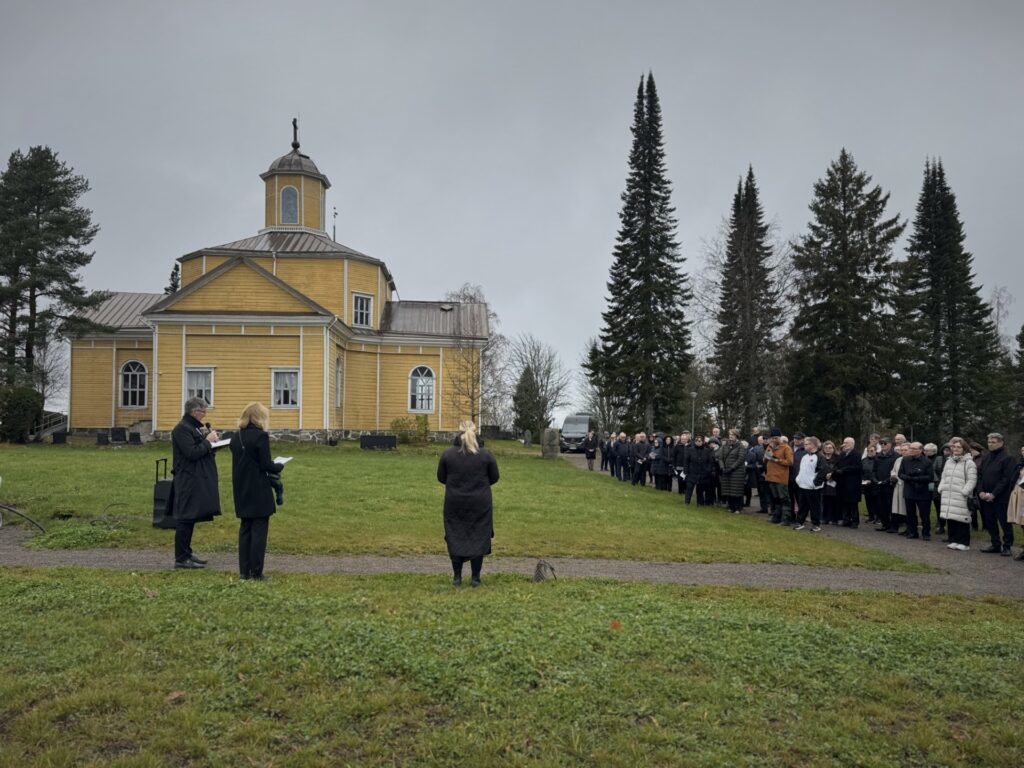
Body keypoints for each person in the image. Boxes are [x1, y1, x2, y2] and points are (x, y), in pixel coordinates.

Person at [437, 421, 500, 587]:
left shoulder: (448, 454)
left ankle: (457, 577)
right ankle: (475, 578)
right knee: (478, 537)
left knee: (455, 535)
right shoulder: (486, 455)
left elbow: (441, 478)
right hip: (480, 502)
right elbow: (494, 477)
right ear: (475, 432)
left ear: (458, 433)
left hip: (454, 502)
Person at [230, 402, 285, 580]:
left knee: (245, 529)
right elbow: (266, 464)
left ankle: (244, 572)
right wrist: (279, 465)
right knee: (259, 531)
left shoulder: (235, 437)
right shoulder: (261, 437)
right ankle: (257, 571)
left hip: (241, 487)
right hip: (258, 487)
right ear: (259, 417)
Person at [169, 397, 222, 569]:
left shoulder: (193, 428)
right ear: (194, 412)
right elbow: (191, 453)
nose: (204, 415)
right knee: (185, 517)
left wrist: (212, 444)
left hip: (196, 477)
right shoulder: (182, 429)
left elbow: (200, 449)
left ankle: (187, 553)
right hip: (187, 478)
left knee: (191, 516)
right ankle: (181, 558)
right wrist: (208, 441)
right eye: (203, 411)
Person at [977, 432, 1017, 556]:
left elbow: (1006, 479)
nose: (990, 444)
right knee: (990, 521)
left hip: (1000, 497)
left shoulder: (1007, 458)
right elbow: (980, 476)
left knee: (1004, 522)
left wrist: (994, 494)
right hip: (985, 496)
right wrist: (981, 491)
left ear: (1001, 443)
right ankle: (995, 544)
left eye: (993, 442)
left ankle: (1007, 546)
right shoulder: (986, 457)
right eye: (989, 442)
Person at [938, 437, 977, 552]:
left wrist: (964, 492)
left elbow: (972, 480)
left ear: (964, 448)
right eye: (954, 447)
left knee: (962, 519)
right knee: (951, 517)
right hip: (948, 494)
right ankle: (953, 540)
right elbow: (944, 476)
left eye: (959, 447)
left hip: (961, 495)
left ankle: (964, 542)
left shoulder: (969, 463)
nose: (956, 449)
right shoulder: (949, 461)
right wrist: (941, 488)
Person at [898, 441, 933, 540]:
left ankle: (926, 533)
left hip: (922, 490)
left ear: (920, 450)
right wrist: (908, 478)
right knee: (910, 513)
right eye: (911, 448)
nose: (911, 450)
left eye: (914, 449)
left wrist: (917, 478)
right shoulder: (905, 460)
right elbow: (900, 474)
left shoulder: (927, 461)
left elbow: (930, 477)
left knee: (924, 514)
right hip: (909, 489)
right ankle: (912, 532)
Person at [763, 428, 794, 525]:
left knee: (784, 499)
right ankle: (776, 517)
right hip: (771, 477)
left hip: (781, 478)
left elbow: (790, 462)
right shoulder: (770, 446)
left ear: (780, 437)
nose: (773, 440)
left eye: (775, 438)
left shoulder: (786, 448)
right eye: (772, 438)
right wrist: (769, 449)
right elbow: (765, 459)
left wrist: (776, 460)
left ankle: (786, 519)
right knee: (775, 499)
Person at [793, 436, 824, 531]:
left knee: (815, 507)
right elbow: (801, 470)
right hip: (802, 486)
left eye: (807, 443)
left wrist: (814, 483)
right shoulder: (804, 456)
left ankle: (816, 524)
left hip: (813, 488)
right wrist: (798, 479)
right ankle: (800, 522)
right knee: (802, 505)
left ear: (813, 445)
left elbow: (822, 472)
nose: (804, 445)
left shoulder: (819, 456)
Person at [833, 437, 863, 528]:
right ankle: (846, 519)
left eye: (847, 443)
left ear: (852, 444)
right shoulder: (842, 454)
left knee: (852, 503)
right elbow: (836, 464)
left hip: (852, 483)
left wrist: (844, 470)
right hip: (842, 482)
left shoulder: (856, 455)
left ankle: (854, 521)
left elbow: (857, 467)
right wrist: (836, 470)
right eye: (844, 442)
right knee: (844, 502)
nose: (844, 444)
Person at [718, 429, 746, 513]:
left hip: (736, 472)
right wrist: (722, 467)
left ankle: (737, 508)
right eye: (730, 434)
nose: (730, 436)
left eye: (732, 435)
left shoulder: (740, 446)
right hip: (726, 470)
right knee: (728, 489)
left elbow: (740, 459)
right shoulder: (725, 445)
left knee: (736, 490)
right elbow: (720, 458)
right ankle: (731, 506)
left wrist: (732, 468)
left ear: (736, 436)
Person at [683, 434, 715, 505]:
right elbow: (686, 461)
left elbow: (710, 462)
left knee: (700, 489)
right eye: (696, 441)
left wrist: (708, 470)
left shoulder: (707, 451)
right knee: (689, 488)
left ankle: (700, 503)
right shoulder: (690, 450)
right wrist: (686, 470)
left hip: (703, 473)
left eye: (700, 441)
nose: (698, 442)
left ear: (703, 442)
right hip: (692, 472)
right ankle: (686, 502)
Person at [1008, 446, 1024, 560]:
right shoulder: (1020, 464)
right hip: (1019, 494)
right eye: (1022, 450)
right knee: (1022, 524)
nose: (1023, 452)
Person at [819, 441, 839, 524]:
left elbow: (839, 469)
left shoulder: (837, 458)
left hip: (834, 482)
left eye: (830, 448)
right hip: (823, 482)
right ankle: (825, 518)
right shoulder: (821, 458)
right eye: (826, 448)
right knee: (825, 500)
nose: (828, 449)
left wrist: (832, 474)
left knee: (834, 500)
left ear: (833, 449)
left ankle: (834, 518)